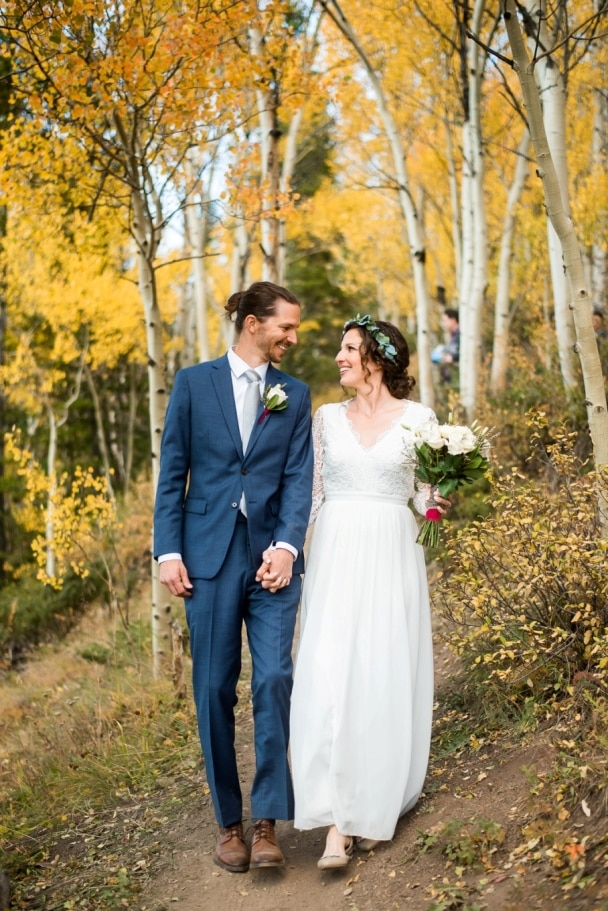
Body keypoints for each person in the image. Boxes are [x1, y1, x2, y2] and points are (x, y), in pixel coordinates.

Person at [154, 281, 313, 874]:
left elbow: (299, 478)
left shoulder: (294, 395)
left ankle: (269, 820)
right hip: (207, 561)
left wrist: (288, 547)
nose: (293, 338)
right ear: (252, 323)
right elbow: (173, 472)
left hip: (271, 563)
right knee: (214, 689)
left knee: (273, 679)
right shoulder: (195, 384)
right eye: (285, 327)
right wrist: (167, 551)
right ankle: (229, 823)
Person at [290, 314, 450, 870]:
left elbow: (426, 496)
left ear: (377, 361)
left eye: (350, 349)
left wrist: (436, 502)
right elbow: (309, 497)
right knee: (331, 671)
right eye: (341, 348)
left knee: (379, 669)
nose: (340, 357)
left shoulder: (419, 420)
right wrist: (287, 552)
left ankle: (374, 800)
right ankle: (336, 822)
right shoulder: (326, 418)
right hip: (335, 553)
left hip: (391, 552)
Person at [440, 307, 460, 383]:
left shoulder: (461, 335)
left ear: (453, 319)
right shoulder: (453, 335)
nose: (443, 324)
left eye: (445, 321)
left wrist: (452, 357)